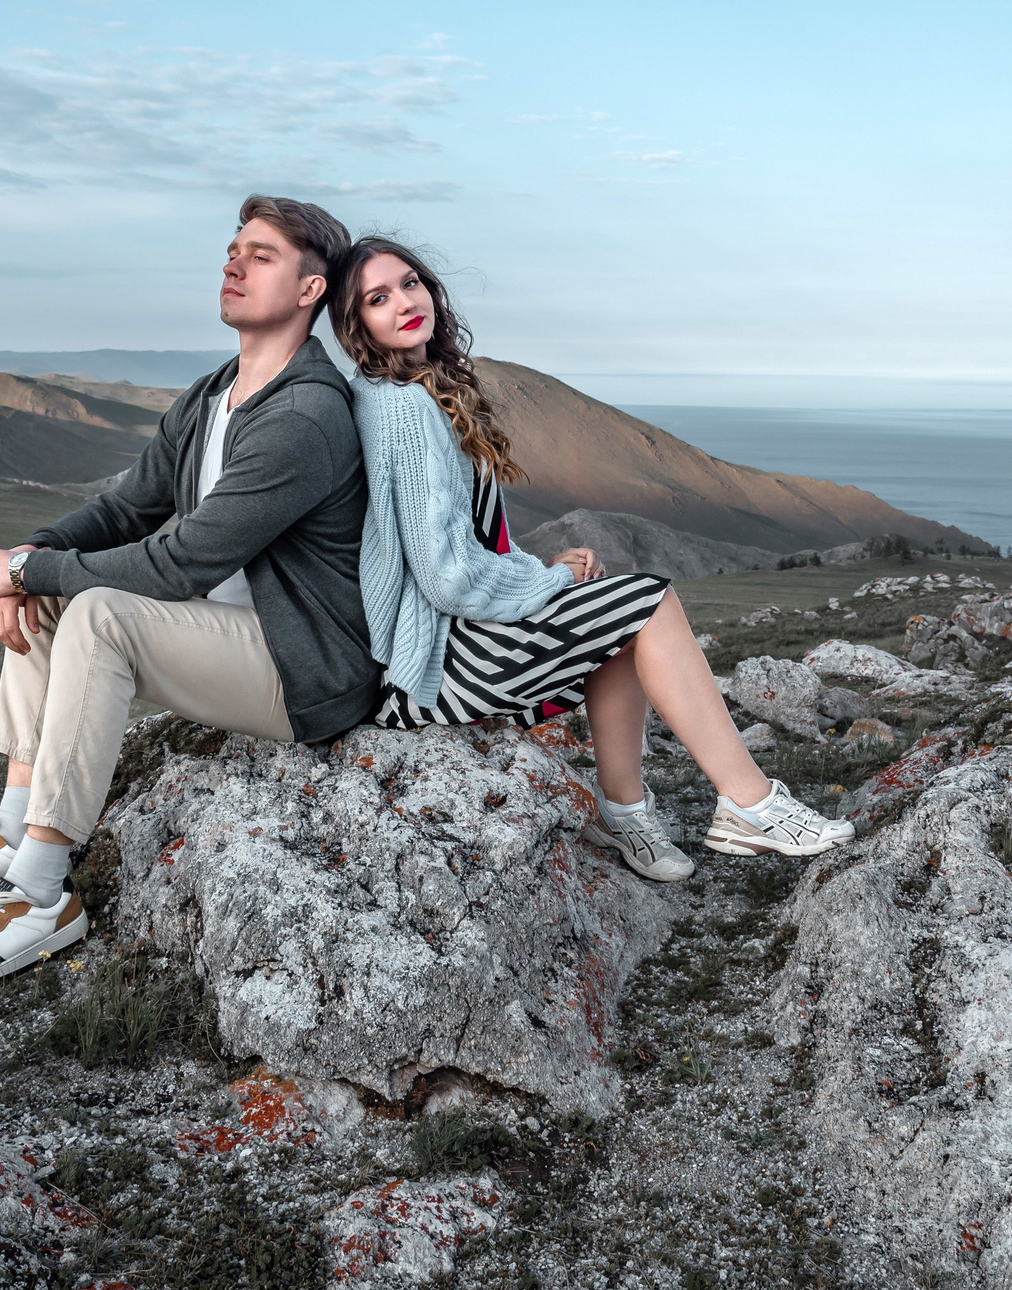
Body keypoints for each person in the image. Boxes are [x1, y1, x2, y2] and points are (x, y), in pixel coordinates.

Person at [0, 197, 383, 991]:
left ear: (309, 291)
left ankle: (40, 892)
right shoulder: (212, 393)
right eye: (233, 249)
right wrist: (34, 553)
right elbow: (126, 509)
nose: (233, 264)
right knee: (60, 591)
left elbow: (180, 563)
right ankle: (14, 830)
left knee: (96, 610)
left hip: (302, 670)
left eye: (260, 256)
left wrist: (20, 574)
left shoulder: (307, 415)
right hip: (215, 641)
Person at [330, 237, 852, 881]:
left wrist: (538, 566)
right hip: (436, 662)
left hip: (448, 638)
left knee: (617, 620)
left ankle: (625, 812)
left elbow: (461, 536)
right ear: (357, 326)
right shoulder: (402, 408)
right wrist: (548, 578)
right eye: (379, 299)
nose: (405, 302)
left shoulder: (411, 389)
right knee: (648, 601)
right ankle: (750, 805)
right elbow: (446, 577)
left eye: (410, 283)